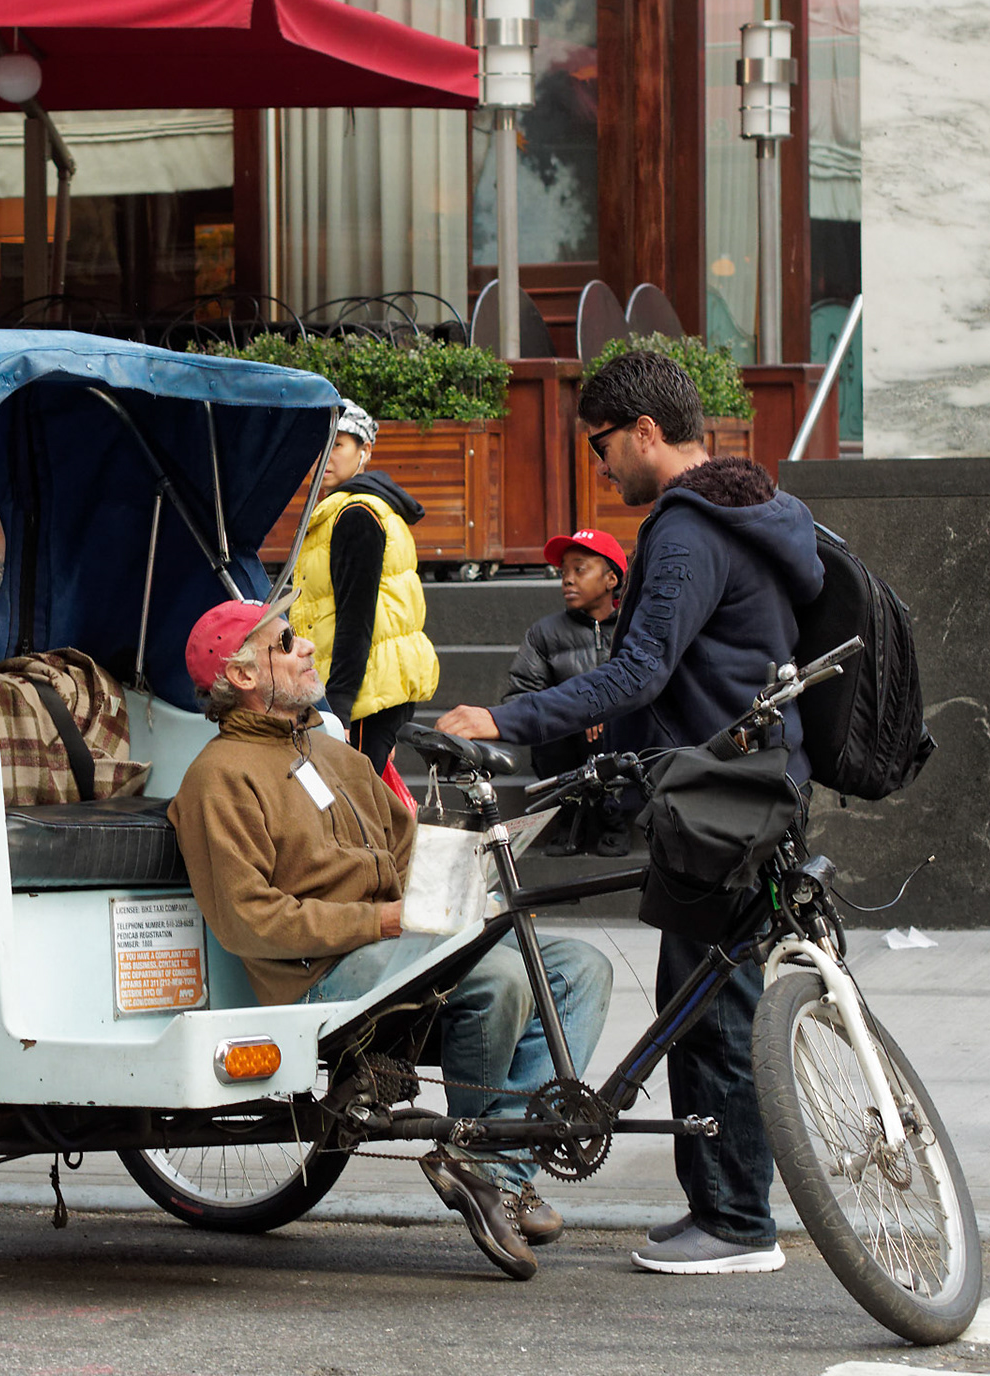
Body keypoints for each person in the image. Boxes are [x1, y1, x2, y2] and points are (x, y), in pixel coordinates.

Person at [436, 349, 824, 1275]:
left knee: (712, 1007)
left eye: (605, 446)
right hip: (755, 781)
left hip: (720, 799)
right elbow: (703, 668)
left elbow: (642, 668)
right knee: (707, 994)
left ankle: (734, 1221)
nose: (602, 467)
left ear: (647, 433)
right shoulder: (759, 510)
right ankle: (727, 1209)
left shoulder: (688, 529)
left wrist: (504, 715)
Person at [167, 595, 611, 1281]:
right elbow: (247, 918)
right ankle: (476, 1148)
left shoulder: (326, 749)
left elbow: (404, 847)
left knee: (580, 965)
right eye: (286, 641)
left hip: (403, 941)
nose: (308, 646)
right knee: (498, 980)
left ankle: (495, 1163)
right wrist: (378, 920)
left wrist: (464, 885)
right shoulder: (215, 779)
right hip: (323, 970)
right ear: (244, 676)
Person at [290, 401, 439, 775]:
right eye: (319, 446)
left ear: (365, 450)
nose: (325, 457)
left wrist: (337, 708)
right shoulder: (348, 509)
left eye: (337, 445)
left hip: (361, 694)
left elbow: (356, 618)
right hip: (368, 688)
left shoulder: (356, 514)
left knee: (352, 810)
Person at [505, 528, 630, 858]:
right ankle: (569, 817)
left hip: (619, 741)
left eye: (580, 569)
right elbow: (518, 695)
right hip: (567, 744)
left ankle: (614, 815)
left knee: (621, 725)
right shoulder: (545, 633)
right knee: (552, 727)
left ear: (611, 580)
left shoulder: (634, 628)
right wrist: (573, 712)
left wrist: (606, 710)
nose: (567, 580)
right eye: (563, 572)